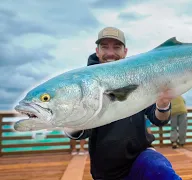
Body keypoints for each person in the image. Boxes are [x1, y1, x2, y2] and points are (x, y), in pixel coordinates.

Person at [64, 27, 182, 180]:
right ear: (97, 51)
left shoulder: (138, 76)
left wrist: (163, 104)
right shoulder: (84, 85)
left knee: (159, 169)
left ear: (125, 51)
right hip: (106, 171)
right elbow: (80, 133)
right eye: (105, 47)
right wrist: (66, 117)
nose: (111, 53)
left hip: (141, 159)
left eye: (117, 47)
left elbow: (159, 119)